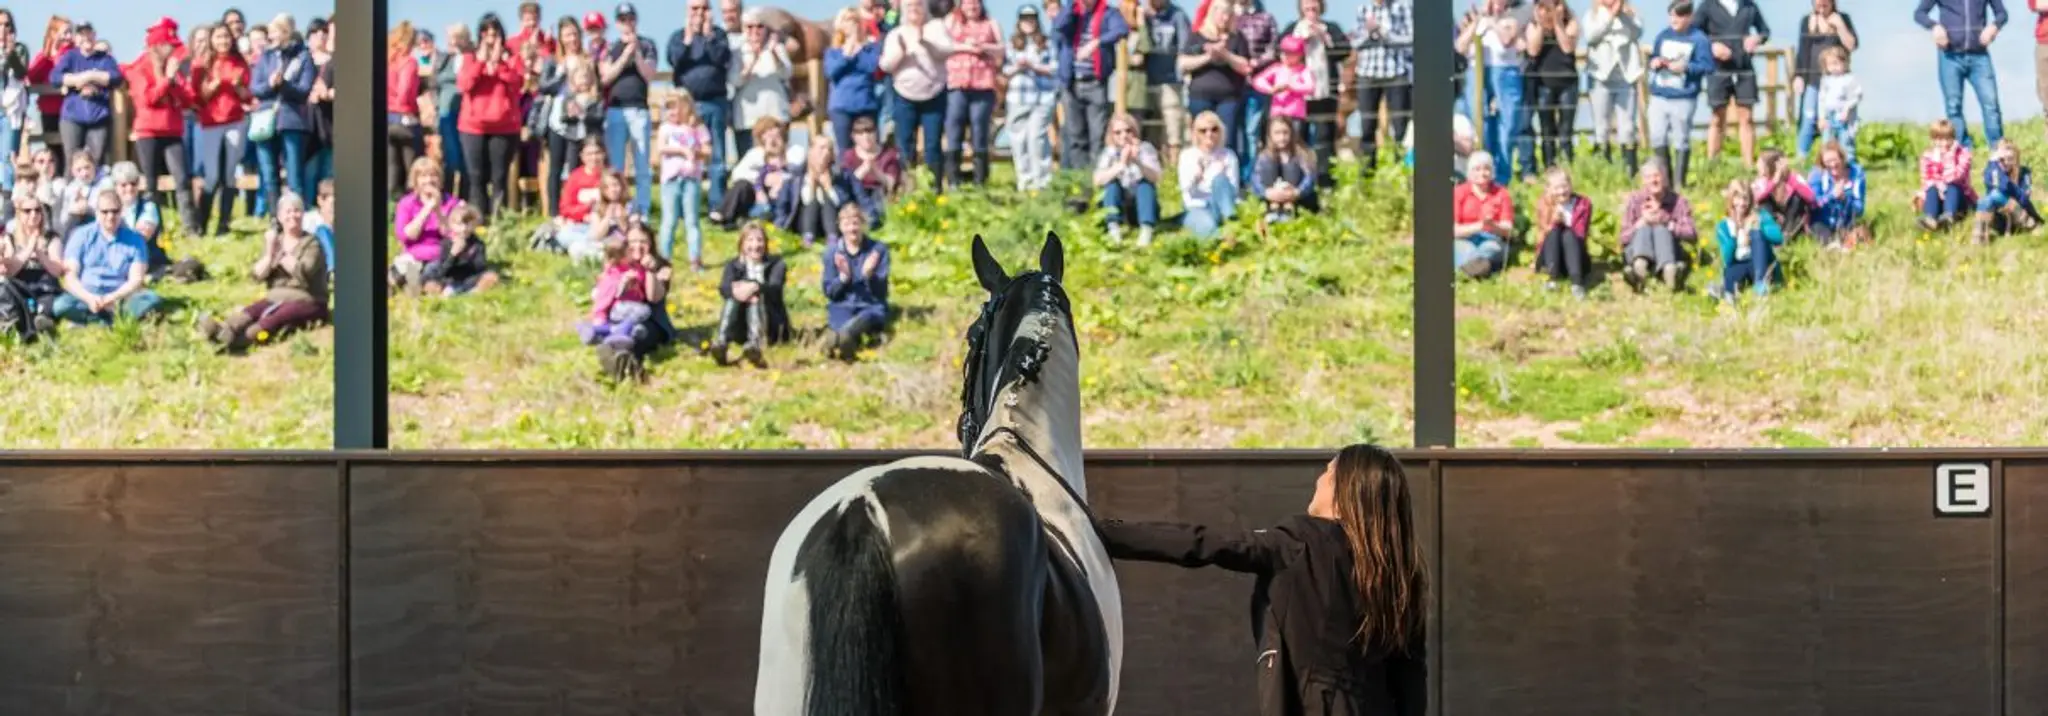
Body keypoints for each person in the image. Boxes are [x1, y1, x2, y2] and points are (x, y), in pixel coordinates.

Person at [1090, 444, 1428, 716]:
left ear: (1347, 490)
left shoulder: (1303, 541)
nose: (1319, 479)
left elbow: (1205, 543)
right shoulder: (1402, 574)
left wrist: (1104, 532)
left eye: (1328, 472)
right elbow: (1411, 681)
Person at [199, 191, 327, 351]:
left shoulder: (312, 243)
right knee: (254, 309)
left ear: (303, 215)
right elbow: (257, 276)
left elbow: (305, 272)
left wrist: (281, 255)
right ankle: (224, 329)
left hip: (309, 300)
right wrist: (269, 253)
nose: (293, 215)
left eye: (297, 211)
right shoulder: (276, 241)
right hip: (276, 296)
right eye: (288, 211)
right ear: (280, 217)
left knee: (279, 316)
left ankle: (238, 342)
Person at [128, 23, 198, 237]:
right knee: (150, 184)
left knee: (182, 179)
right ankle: (154, 230)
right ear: (157, 46)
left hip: (173, 132)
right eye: (169, 45)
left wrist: (173, 82)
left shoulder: (174, 69)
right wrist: (166, 80)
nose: (173, 50)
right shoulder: (140, 68)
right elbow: (148, 98)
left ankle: (190, 228)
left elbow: (189, 99)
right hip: (148, 132)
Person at [879, 0, 957, 189]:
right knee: (905, 145)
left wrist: (925, 42)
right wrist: (902, 52)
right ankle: (908, 189)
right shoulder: (896, 33)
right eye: (911, 6)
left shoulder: (936, 27)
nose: (914, 9)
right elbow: (885, 65)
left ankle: (934, 189)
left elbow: (947, 51)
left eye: (918, 5)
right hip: (904, 96)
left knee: (932, 145)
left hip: (934, 94)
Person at [56, 188, 163, 325]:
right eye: (105, 212)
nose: (110, 216)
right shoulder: (80, 235)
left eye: (115, 211)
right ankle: (108, 319)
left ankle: (100, 319)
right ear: (96, 212)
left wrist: (113, 297)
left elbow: (136, 279)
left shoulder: (136, 240)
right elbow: (70, 277)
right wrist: (89, 298)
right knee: (60, 305)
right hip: (87, 296)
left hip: (120, 297)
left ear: (121, 211)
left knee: (151, 299)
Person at [251, 14, 319, 218]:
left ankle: (297, 216)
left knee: (293, 174)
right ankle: (274, 216)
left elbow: (304, 90)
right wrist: (270, 85)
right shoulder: (266, 57)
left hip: (291, 121)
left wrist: (284, 85)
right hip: (266, 119)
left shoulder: (303, 56)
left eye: (275, 31)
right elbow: (255, 87)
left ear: (286, 32)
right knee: (269, 172)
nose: (271, 36)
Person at [1916, 0, 2008, 150]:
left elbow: (2002, 13)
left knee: (1991, 103)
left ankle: (1997, 148)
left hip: (1979, 56)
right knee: (1953, 106)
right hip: (1949, 56)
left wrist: (1994, 27)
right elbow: (1919, 13)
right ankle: (1963, 148)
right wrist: (1934, 26)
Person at [668, 0, 733, 208]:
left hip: (715, 103)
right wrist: (689, 38)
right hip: (687, 106)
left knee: (717, 156)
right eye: (695, 9)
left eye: (704, 8)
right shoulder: (678, 37)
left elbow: (721, 57)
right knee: (685, 155)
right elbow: (675, 59)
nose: (699, 13)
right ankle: (685, 203)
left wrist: (708, 36)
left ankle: (717, 204)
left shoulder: (719, 36)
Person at [1279, 0, 1351, 183]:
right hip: (1298, 96)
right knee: (1298, 136)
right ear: (1301, 8)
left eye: (1314, 7)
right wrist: (1300, 41)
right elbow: (1279, 51)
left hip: (1325, 93)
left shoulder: (1331, 28)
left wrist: (1324, 38)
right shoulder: (1292, 28)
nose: (1311, 11)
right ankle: (1298, 179)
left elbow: (1345, 51)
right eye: (1307, 7)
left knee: (1325, 136)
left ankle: (1326, 181)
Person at [1053, 0, 1130, 171]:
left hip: (1095, 83)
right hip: (1071, 84)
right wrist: (1072, 7)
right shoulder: (1072, 13)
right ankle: (1079, 182)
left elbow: (1122, 29)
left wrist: (1097, 42)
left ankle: (1096, 177)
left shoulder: (1108, 13)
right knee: (1075, 136)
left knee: (1097, 136)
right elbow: (1058, 26)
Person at [1644, 0, 1711, 189]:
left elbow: (1707, 66)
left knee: (1681, 138)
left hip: (1683, 96)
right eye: (1672, 15)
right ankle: (1664, 180)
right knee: (1657, 136)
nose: (1674, 20)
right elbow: (1653, 56)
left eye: (1679, 16)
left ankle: (1679, 182)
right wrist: (1655, 63)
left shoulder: (1699, 39)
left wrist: (1687, 67)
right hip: (1659, 93)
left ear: (1689, 17)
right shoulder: (1663, 36)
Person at [1458, 0, 1526, 184]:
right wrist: (1477, 22)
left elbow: (1507, 40)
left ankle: (1503, 176)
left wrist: (1493, 22)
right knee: (1481, 123)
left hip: (1505, 70)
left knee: (1508, 124)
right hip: (1477, 69)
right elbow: (1460, 47)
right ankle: (1481, 172)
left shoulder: (1512, 18)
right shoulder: (1473, 19)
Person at [601, 3, 659, 216]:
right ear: (617, 23)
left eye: (631, 19)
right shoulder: (611, 48)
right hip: (616, 110)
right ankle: (618, 208)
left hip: (639, 109)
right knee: (616, 165)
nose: (628, 23)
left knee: (642, 163)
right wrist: (625, 55)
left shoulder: (648, 45)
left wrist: (636, 54)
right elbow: (605, 77)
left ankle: (642, 209)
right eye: (623, 20)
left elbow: (650, 74)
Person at [1695, 0, 1767, 168]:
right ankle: (1712, 164)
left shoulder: (1749, 6)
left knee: (1747, 117)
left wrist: (1757, 39)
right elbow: (1695, 33)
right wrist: (1711, 46)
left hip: (1744, 67)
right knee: (1717, 116)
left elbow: (1765, 30)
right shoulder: (1708, 6)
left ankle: (1748, 164)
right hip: (1718, 69)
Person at [1181, 2, 1250, 168]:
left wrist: (1225, 54)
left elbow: (1245, 66)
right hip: (1200, 96)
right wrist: (1208, 56)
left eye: (1228, 14)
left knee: (1227, 138)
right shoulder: (1197, 37)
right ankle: (1199, 174)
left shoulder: (1237, 38)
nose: (1225, 18)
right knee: (1201, 136)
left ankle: (1228, 176)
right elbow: (1183, 63)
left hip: (1228, 98)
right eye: (1222, 13)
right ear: (1213, 13)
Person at [713, 221, 791, 367]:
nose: (755, 245)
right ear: (742, 244)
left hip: (770, 322)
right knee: (734, 296)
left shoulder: (777, 263)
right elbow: (724, 289)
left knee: (755, 297)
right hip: (741, 324)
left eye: (759, 240)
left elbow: (775, 288)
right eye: (750, 240)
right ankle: (722, 342)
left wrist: (754, 286)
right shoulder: (733, 265)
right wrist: (739, 291)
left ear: (766, 244)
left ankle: (755, 344)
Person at [820, 202, 891, 361]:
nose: (852, 229)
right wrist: (844, 278)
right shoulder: (832, 253)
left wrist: (869, 274)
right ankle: (839, 341)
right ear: (840, 227)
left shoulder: (878, 250)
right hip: (842, 305)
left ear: (863, 225)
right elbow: (830, 292)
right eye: (847, 224)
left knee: (865, 319)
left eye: (856, 223)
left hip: (869, 306)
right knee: (840, 319)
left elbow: (881, 293)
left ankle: (842, 339)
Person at [779, 136, 878, 246]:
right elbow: (783, 208)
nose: (826, 153)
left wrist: (829, 187)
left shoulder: (844, 175)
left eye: (829, 149)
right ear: (810, 151)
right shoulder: (795, 178)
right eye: (821, 148)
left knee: (828, 200)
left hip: (836, 223)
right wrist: (811, 186)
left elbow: (862, 200)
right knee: (813, 202)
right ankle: (808, 237)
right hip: (804, 223)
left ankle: (832, 238)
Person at [1583, 0, 1643, 176]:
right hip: (1601, 77)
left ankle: (1629, 169)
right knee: (1601, 126)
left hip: (1625, 76)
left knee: (1628, 127)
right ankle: (1603, 169)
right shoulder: (1592, 15)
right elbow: (1591, 37)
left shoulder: (1631, 15)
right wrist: (1610, 17)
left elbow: (1637, 32)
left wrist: (1623, 15)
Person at [1792, 0, 1856, 161]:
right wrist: (1798, 75)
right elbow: (1802, 50)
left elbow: (1852, 45)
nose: (1821, 10)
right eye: (1817, 6)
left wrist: (1840, 26)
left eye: (1825, 6)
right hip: (1813, 80)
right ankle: (1802, 157)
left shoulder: (1843, 18)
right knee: (1809, 118)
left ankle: (1843, 157)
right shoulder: (1807, 21)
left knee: (1837, 121)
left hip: (1837, 82)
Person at [1620, 159, 1697, 291]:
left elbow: (1691, 233)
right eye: (1649, 177)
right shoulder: (1635, 200)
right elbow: (1623, 238)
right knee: (1644, 229)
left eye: (1657, 176)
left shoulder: (1678, 201)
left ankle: (1670, 273)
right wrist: (1641, 222)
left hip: (1669, 253)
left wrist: (1667, 222)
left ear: (1665, 178)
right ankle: (1639, 271)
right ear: (1643, 181)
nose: (1653, 181)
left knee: (1661, 230)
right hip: (1638, 251)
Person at [1004, 6, 1059, 191]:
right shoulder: (1011, 43)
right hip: (1018, 96)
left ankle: (1041, 182)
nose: (1028, 22)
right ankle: (1024, 181)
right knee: (1019, 140)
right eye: (1025, 18)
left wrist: (1034, 66)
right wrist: (1018, 67)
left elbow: (1054, 67)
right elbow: (1004, 69)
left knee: (1037, 139)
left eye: (1032, 18)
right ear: (1019, 21)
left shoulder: (1046, 42)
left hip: (1041, 97)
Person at [392, 157, 464, 296]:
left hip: (439, 258)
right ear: (416, 180)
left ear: (440, 179)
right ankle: (412, 286)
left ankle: (426, 286)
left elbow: (452, 235)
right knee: (406, 270)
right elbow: (406, 236)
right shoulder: (407, 203)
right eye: (423, 176)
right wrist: (427, 208)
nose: (429, 180)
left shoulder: (452, 203)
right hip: (413, 257)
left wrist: (438, 210)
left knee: (435, 276)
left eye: (433, 175)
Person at [656, 93, 713, 270]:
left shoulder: (697, 128)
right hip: (671, 179)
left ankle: (695, 258)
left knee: (692, 220)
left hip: (691, 179)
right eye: (669, 108)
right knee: (669, 220)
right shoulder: (665, 128)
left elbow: (707, 150)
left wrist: (694, 152)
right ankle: (663, 258)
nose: (672, 111)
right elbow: (661, 148)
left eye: (676, 106)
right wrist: (681, 150)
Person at [0, 186, 65, 339]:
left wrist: (40, 253)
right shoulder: (10, 238)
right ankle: (25, 326)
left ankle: (41, 323)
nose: (33, 214)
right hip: (20, 287)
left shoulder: (51, 238)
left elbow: (57, 271)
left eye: (37, 210)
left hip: (45, 287)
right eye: (27, 211)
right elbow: (10, 271)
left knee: (47, 305)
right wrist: (29, 248)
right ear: (19, 214)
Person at [713, 117, 800, 229]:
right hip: (758, 193)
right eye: (766, 134)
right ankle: (725, 215)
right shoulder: (755, 153)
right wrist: (761, 179)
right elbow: (737, 173)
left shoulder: (794, 151)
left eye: (774, 134)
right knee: (742, 185)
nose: (772, 139)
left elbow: (797, 170)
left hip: (783, 193)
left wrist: (780, 157)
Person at [730, 8, 794, 159]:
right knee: (749, 160)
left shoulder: (777, 48)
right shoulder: (737, 51)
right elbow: (735, 80)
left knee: (777, 159)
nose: (755, 31)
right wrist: (753, 59)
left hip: (775, 114)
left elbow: (786, 73)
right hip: (747, 118)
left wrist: (773, 54)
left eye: (760, 26)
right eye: (750, 27)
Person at [1523, 0, 1579, 172]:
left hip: (1567, 83)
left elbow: (1567, 47)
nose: (1546, 9)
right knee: (1547, 129)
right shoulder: (1532, 25)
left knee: (1565, 130)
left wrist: (1557, 22)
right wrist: (1541, 24)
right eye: (1542, 6)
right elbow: (1532, 50)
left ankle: (1568, 168)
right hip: (1543, 83)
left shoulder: (1570, 22)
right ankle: (1549, 168)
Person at [1135, 0, 1195, 162]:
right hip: (1145, 80)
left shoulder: (1178, 15)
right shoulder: (1141, 14)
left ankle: (1173, 172)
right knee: (1150, 132)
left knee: (1173, 129)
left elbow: (1185, 48)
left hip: (1171, 81)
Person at [578, 231, 657, 351]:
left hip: (623, 311)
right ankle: (618, 331)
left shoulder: (625, 269)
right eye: (629, 251)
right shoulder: (615, 275)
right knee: (645, 311)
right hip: (621, 309)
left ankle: (601, 334)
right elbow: (605, 297)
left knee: (638, 331)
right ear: (622, 258)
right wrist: (600, 316)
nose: (633, 251)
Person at [545, 63, 606, 218]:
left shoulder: (596, 99)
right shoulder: (569, 98)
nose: (584, 81)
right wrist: (570, 115)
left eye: (586, 77)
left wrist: (582, 114)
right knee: (573, 171)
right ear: (573, 80)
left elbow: (598, 118)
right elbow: (564, 118)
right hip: (573, 139)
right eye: (580, 77)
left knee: (592, 171)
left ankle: (595, 206)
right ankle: (565, 208)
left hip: (590, 139)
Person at [1094, 111, 1163, 246]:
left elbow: (1156, 177)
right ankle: (1113, 229)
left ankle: (1146, 230)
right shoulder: (1109, 152)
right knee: (1111, 184)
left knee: (1145, 184)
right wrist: (1121, 165)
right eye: (1118, 132)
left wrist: (1137, 161)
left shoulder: (1145, 148)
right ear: (1112, 135)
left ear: (1134, 131)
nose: (1124, 136)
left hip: (1142, 205)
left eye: (1128, 131)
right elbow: (1097, 180)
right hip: (1119, 205)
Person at [1714, 178, 1783, 303]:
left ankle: (1761, 285)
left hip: (1763, 263)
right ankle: (1727, 295)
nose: (1741, 203)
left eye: (1745, 198)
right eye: (1737, 198)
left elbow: (1778, 238)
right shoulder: (1724, 225)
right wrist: (1734, 236)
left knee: (1756, 234)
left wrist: (1759, 226)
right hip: (1740, 263)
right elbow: (1728, 259)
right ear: (1731, 200)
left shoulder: (1760, 215)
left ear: (1750, 200)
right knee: (1730, 272)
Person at [825, 9, 883, 151]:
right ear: (840, 25)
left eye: (855, 20)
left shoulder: (871, 48)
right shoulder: (833, 52)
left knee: (869, 148)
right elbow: (831, 72)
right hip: (841, 107)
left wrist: (858, 49)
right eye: (847, 20)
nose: (852, 23)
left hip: (865, 105)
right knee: (845, 151)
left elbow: (871, 67)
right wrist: (847, 53)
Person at [1178, 111, 1239, 240]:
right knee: (1207, 226)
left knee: (1220, 180)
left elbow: (1234, 190)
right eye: (1203, 130)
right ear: (1195, 133)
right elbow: (1186, 191)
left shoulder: (1228, 155)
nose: (1209, 134)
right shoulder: (1188, 156)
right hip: (1197, 206)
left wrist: (1223, 176)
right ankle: (1219, 240)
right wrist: (1197, 176)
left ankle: (1231, 220)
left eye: (1214, 129)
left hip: (1221, 206)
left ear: (1220, 131)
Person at [1451, 151, 1511, 279]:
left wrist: (1492, 226)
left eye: (1486, 169)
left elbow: (1508, 231)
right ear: (1469, 172)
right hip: (1464, 238)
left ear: (1492, 171)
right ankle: (1478, 269)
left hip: (1491, 238)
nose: (1482, 174)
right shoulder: (1459, 192)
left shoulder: (1502, 193)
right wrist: (1480, 226)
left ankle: (1471, 269)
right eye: (1477, 169)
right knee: (1466, 251)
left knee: (1490, 250)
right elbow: (1453, 230)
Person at [1533, 166, 1591, 298]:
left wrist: (1565, 222)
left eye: (1564, 186)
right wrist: (1554, 222)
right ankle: (1551, 279)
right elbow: (1542, 234)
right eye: (1556, 188)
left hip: (1574, 253)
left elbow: (1581, 234)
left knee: (1568, 234)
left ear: (1570, 186)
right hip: (1549, 255)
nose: (1561, 191)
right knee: (1554, 231)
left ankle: (1577, 283)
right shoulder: (1543, 203)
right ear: (1548, 190)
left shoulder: (1583, 203)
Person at [1252, 118, 1317, 225]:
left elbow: (1310, 178)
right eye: (1277, 133)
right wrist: (1266, 192)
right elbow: (1255, 178)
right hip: (1272, 195)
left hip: (1296, 197)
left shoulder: (1301, 153)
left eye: (1285, 133)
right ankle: (1272, 210)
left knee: (1291, 166)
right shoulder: (1264, 155)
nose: (1281, 137)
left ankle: (1288, 211)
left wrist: (1297, 192)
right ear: (1270, 135)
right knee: (1268, 164)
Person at [1976, 139, 2041, 241]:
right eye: (2002, 159)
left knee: (1996, 194)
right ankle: (1980, 238)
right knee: (1985, 200)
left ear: (2016, 158)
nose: (2006, 162)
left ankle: (2030, 224)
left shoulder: (2024, 173)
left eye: (2010, 159)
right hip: (1999, 220)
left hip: (2019, 218)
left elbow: (2023, 198)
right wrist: (1994, 165)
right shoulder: (1991, 170)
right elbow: (1995, 187)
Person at [1806, 141, 1867, 250]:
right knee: (1823, 234)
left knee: (1858, 236)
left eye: (1835, 160)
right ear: (1823, 163)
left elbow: (1860, 210)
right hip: (1821, 222)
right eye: (1828, 162)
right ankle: (1833, 246)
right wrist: (1831, 196)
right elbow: (1812, 204)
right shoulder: (1817, 174)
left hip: (1846, 222)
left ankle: (1846, 244)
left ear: (1842, 158)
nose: (1832, 165)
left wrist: (1845, 199)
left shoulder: (1857, 173)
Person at [1919, 118, 1977, 232]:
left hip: (1959, 197)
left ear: (1953, 139)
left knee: (1952, 187)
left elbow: (1955, 177)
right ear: (1933, 140)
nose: (1944, 143)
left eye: (1948, 139)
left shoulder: (1963, 155)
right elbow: (1926, 180)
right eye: (1940, 140)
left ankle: (1949, 217)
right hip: (1937, 197)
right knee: (1931, 188)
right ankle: (1931, 219)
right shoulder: (1927, 156)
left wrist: (1950, 156)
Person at [1250, 37, 1315, 133]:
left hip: (1295, 114)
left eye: (1290, 54)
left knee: (1295, 138)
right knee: (1276, 137)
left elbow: (1310, 86)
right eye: (1283, 53)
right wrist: (1270, 89)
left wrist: (1290, 86)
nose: (1285, 56)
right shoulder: (1276, 68)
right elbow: (1258, 80)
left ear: (1300, 55)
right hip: (1277, 113)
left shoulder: (1303, 70)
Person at [437, 204, 501, 296]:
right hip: (453, 282)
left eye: (468, 224)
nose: (464, 228)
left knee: (491, 276)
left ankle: (473, 294)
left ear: (474, 225)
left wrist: (467, 255)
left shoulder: (478, 243)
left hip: (472, 281)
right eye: (459, 224)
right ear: (451, 225)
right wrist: (453, 255)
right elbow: (443, 271)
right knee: (434, 283)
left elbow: (480, 267)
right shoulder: (446, 244)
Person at [1751, 149, 1814, 241]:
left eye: (1760, 163)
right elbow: (1755, 198)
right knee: (1763, 202)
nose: (1757, 166)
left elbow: (1811, 197)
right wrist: (1774, 183)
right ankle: (1772, 232)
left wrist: (1788, 178)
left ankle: (1787, 234)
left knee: (1798, 198)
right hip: (1775, 216)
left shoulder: (1793, 178)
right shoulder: (1761, 181)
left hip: (1792, 217)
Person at [1815, 46, 1862, 162]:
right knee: (1827, 142)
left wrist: (1847, 109)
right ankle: (1828, 164)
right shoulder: (1826, 80)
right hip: (1829, 116)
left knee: (1845, 143)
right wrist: (1821, 117)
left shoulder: (1849, 79)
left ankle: (1849, 165)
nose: (1834, 67)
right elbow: (1822, 99)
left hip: (1843, 117)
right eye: (1830, 64)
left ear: (1844, 63)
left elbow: (1856, 96)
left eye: (1836, 63)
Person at [841, 115, 906, 197]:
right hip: (857, 196)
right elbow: (846, 185)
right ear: (853, 136)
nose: (866, 137)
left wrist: (875, 171)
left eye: (870, 131)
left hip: (882, 195)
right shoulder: (849, 156)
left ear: (876, 133)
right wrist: (863, 170)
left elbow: (891, 184)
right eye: (860, 133)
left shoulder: (888, 154)